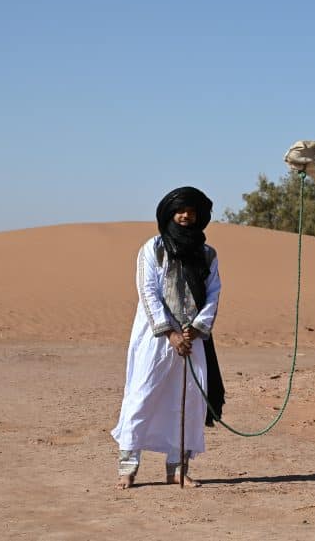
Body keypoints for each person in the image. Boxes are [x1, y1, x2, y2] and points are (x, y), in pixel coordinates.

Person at [111, 186, 223, 489]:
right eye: (180, 210)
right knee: (142, 395)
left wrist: (197, 327)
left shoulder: (207, 254)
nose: (185, 216)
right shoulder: (153, 249)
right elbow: (147, 292)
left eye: (191, 211)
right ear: (169, 214)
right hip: (155, 336)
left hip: (193, 338)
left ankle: (177, 468)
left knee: (187, 400)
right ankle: (128, 467)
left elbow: (213, 292)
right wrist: (170, 332)